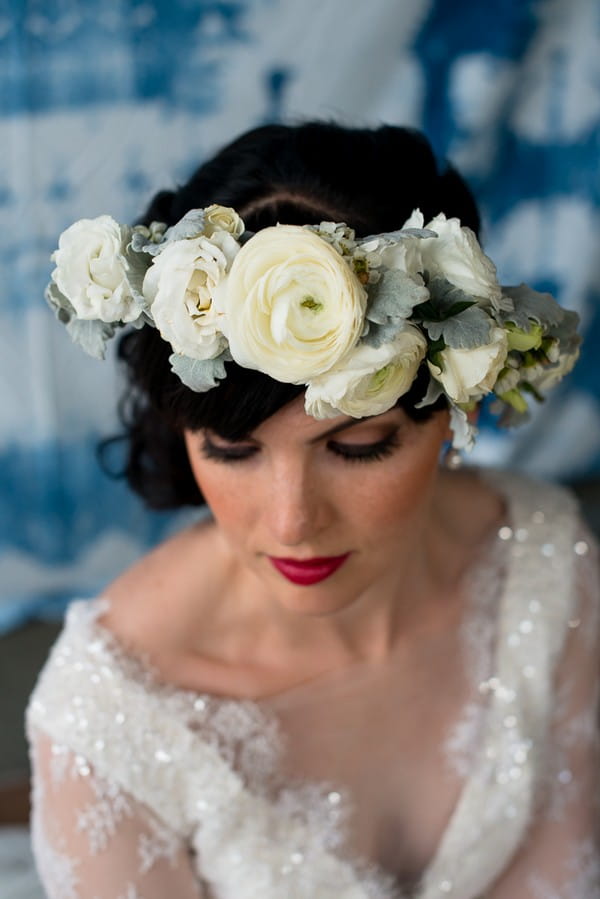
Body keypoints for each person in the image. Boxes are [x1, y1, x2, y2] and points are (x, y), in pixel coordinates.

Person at [26, 122, 599, 898]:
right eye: (233, 450)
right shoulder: (110, 714)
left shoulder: (542, 559)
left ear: (455, 410)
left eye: (358, 445)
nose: (292, 521)